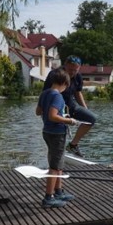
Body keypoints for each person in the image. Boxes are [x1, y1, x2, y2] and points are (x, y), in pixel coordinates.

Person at [36, 67, 79, 208]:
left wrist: (61, 115)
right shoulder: (58, 96)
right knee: (54, 166)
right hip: (57, 134)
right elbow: (52, 116)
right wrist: (69, 120)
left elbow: (38, 112)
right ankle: (48, 198)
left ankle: (58, 191)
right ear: (64, 83)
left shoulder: (45, 93)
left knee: (58, 162)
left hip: (47, 132)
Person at [43, 55, 96, 157]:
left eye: (75, 70)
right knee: (57, 135)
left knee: (91, 118)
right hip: (55, 108)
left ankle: (73, 145)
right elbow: (46, 93)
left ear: (79, 68)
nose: (72, 72)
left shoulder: (78, 76)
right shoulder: (55, 75)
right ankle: (55, 157)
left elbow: (77, 93)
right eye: (70, 69)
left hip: (70, 106)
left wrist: (85, 108)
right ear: (65, 65)